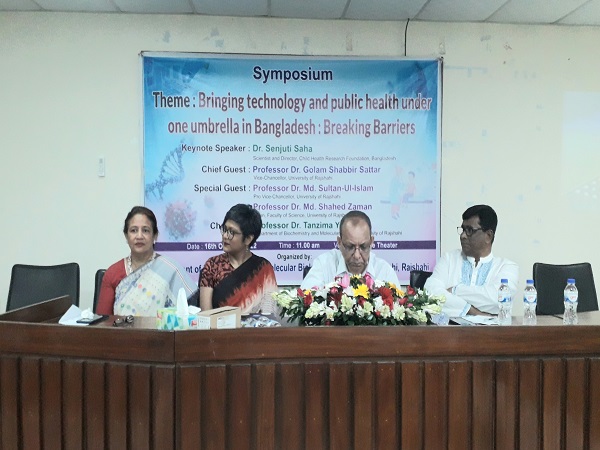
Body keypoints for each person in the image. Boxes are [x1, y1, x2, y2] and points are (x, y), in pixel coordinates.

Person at [97, 206, 198, 316]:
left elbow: (192, 315)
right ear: (126, 236)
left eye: (145, 230)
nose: (139, 236)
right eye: (133, 230)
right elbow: (103, 321)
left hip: (162, 328)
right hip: (121, 328)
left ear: (155, 236)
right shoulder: (113, 273)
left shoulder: (171, 269)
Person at [424, 204, 519, 317]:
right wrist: (471, 311)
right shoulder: (449, 259)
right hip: (450, 328)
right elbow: (430, 294)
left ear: (488, 236)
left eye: (469, 230)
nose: (463, 236)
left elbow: (497, 299)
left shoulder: (507, 267)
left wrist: (455, 290)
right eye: (463, 229)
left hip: (493, 329)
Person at [199, 204, 278, 314]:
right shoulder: (212, 265)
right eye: (224, 229)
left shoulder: (264, 268)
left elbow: (269, 315)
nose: (225, 236)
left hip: (256, 325)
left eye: (232, 232)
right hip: (218, 325)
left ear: (248, 239)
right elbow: (206, 315)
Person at [301, 210, 400, 289]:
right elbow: (305, 299)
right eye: (350, 247)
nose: (357, 256)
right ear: (339, 242)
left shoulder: (384, 271)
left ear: (371, 242)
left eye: (363, 247)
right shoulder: (324, 264)